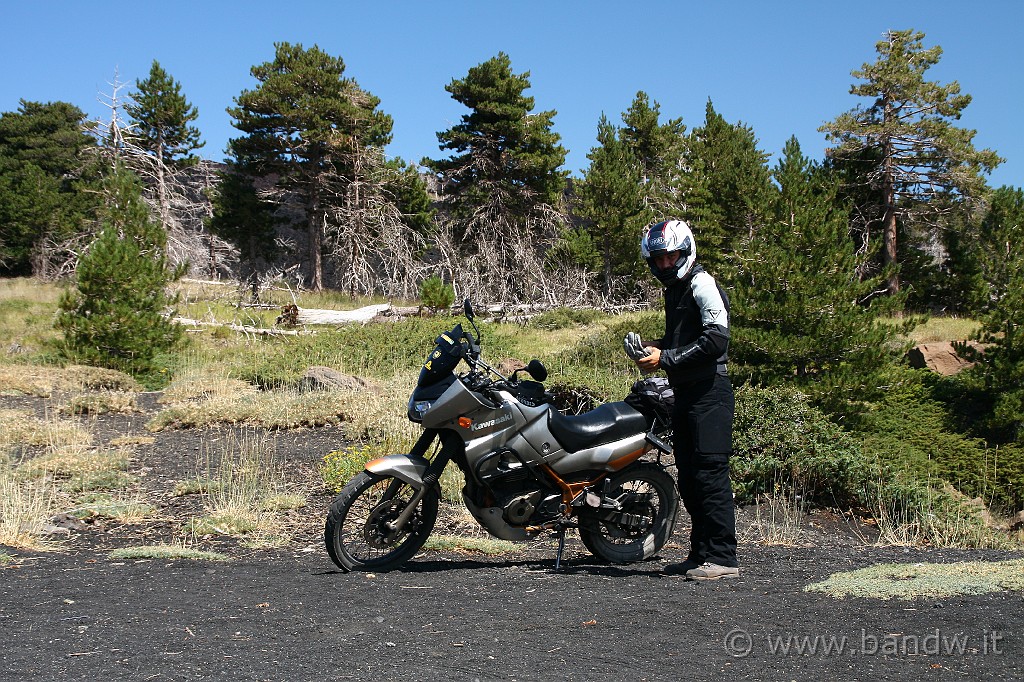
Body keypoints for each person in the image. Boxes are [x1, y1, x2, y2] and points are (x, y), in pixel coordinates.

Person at [629, 219, 738, 580]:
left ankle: (723, 558)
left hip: (710, 392)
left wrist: (666, 358)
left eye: (670, 256)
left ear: (686, 251)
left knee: (710, 476)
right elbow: (683, 340)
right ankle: (700, 555)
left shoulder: (702, 283)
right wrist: (655, 349)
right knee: (690, 477)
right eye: (658, 259)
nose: (664, 264)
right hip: (687, 393)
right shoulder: (675, 289)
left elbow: (716, 342)